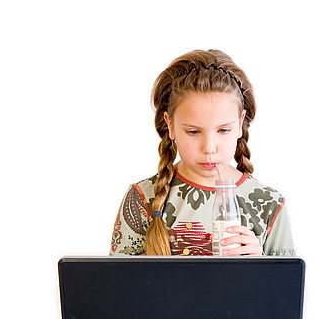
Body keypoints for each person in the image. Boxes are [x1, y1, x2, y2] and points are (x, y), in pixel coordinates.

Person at [110, 49, 295, 257]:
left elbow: (287, 288)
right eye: (193, 132)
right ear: (170, 125)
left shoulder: (269, 204)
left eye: (223, 130)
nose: (209, 148)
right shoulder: (142, 199)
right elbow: (116, 287)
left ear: (240, 122)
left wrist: (258, 268)